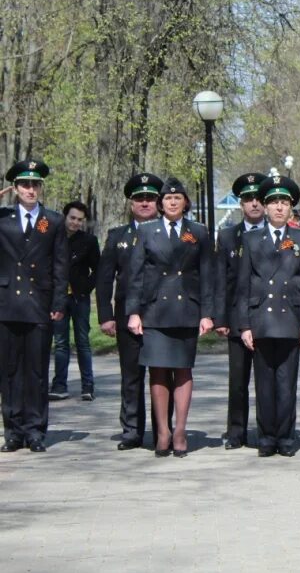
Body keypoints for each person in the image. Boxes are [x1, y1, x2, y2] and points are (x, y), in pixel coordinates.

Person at [125, 178, 214, 457]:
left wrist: (208, 314)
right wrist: (134, 312)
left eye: (178, 198)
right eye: (167, 199)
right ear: (160, 204)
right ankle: (162, 431)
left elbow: (208, 276)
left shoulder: (198, 231)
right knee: (158, 371)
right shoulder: (148, 231)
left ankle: (180, 431)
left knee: (183, 371)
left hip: (186, 309)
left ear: (185, 202)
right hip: (154, 311)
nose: (173, 202)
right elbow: (135, 275)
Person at [236, 176, 300, 457]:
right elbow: (243, 284)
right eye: (273, 203)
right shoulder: (251, 239)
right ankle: (266, 437)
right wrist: (244, 324)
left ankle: (286, 437)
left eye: (284, 203)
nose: (279, 208)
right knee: (264, 383)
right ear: (266, 208)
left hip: (290, 319)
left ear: (290, 208)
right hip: (260, 320)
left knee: (286, 383)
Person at [0, 159, 68, 453]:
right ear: (14, 188)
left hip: (39, 303)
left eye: (35, 184)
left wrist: (58, 301)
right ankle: (13, 431)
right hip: (7, 303)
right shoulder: (2, 218)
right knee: (10, 370)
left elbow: (60, 265)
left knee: (37, 370)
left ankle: (36, 430)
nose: (30, 189)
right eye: (25, 184)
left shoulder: (52, 221)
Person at [97, 173, 163, 450]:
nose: (145, 203)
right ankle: (132, 430)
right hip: (127, 314)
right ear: (131, 203)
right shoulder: (117, 237)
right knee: (132, 375)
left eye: (150, 198)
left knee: (162, 375)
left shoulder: (168, 232)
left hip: (162, 314)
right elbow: (104, 278)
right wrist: (105, 315)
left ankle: (163, 430)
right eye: (140, 198)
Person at [213, 172, 266, 449]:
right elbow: (221, 280)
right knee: (238, 381)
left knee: (267, 380)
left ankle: (269, 431)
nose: (254, 204)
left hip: (269, 318)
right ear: (240, 203)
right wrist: (220, 318)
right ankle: (236, 432)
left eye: (259, 198)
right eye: (248, 199)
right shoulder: (227, 236)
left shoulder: (279, 234)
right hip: (236, 317)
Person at [49, 201, 100, 401]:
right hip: (58, 298)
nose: (75, 223)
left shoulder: (89, 241)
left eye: (80, 220)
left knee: (83, 342)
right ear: (64, 217)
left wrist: (86, 287)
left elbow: (98, 270)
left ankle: (87, 386)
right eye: (72, 218)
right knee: (60, 342)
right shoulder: (54, 237)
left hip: (79, 298)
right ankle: (59, 385)